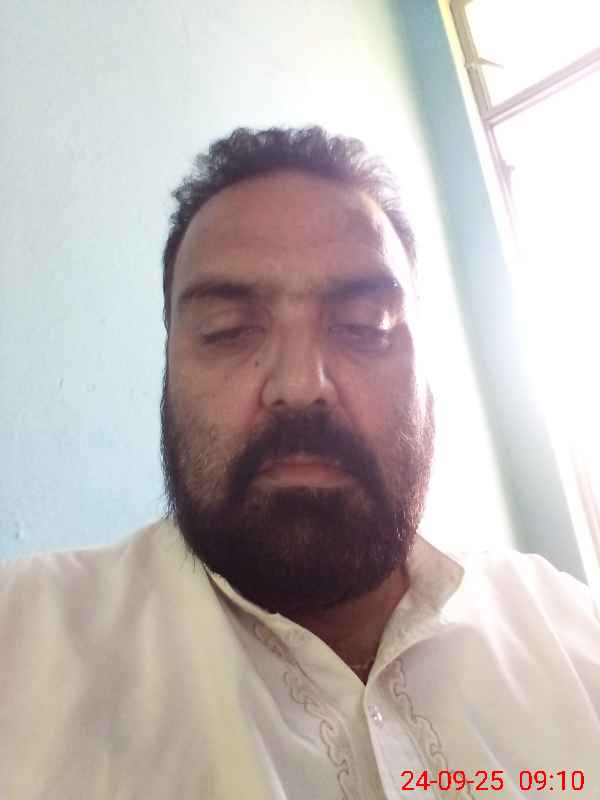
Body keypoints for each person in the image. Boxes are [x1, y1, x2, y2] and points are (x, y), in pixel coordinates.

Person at [1, 127, 599, 800]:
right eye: (228, 330)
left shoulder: (570, 633)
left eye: (366, 325)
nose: (299, 385)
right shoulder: (21, 649)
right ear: (168, 371)